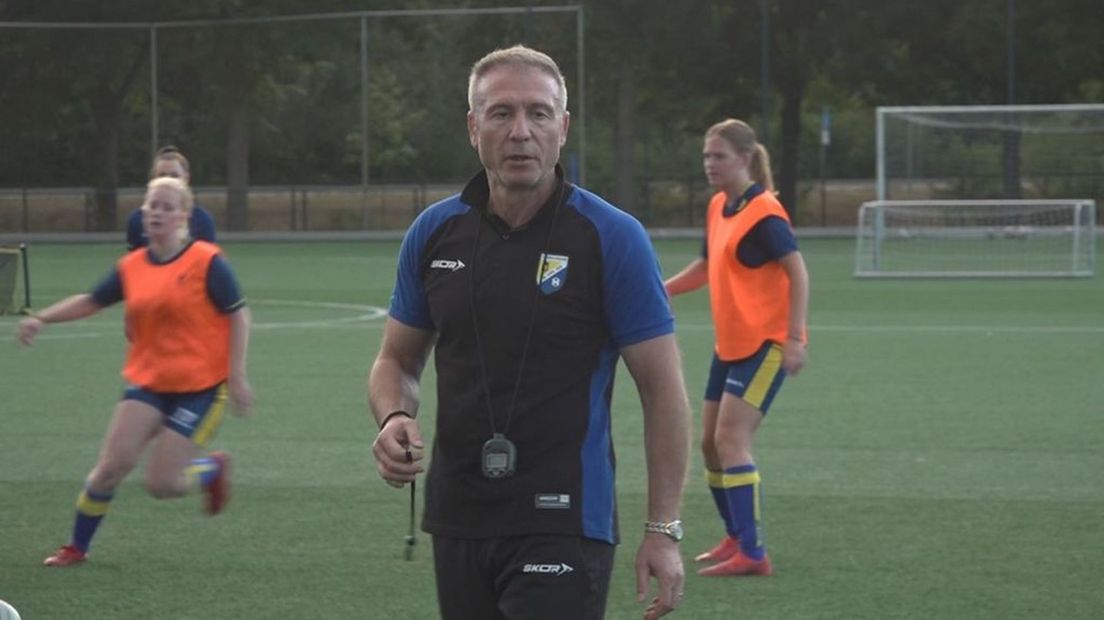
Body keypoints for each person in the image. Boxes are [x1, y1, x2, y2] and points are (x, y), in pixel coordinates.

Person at [368, 45, 691, 620]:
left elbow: (663, 390)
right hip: (460, 515)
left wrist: (663, 529)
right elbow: (397, 361)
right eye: (501, 113)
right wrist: (395, 416)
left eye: (539, 114)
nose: (521, 132)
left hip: (565, 519)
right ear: (473, 127)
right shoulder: (434, 233)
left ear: (563, 128)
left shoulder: (610, 237)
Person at [17, 176, 253, 567]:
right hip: (149, 384)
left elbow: (239, 315)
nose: (156, 213)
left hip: (201, 389)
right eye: (151, 206)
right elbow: (92, 300)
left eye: (166, 206)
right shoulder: (132, 266)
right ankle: (76, 547)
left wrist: (238, 374)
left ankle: (211, 469)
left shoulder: (207, 261)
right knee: (111, 466)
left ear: (184, 217)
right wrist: (41, 318)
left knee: (162, 484)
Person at [664, 119, 809, 577]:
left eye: (719, 156)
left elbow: (798, 272)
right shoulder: (718, 206)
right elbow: (706, 267)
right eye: (706, 156)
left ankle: (753, 553)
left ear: (745, 159)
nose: (710, 164)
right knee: (709, 444)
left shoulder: (764, 213)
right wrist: (658, 288)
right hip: (729, 345)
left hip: (765, 346)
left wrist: (794, 338)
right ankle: (735, 536)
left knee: (731, 440)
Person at [126, 146, 216, 251]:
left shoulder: (203, 221)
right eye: (162, 175)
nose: (168, 180)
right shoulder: (137, 220)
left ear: (186, 178)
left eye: (174, 176)